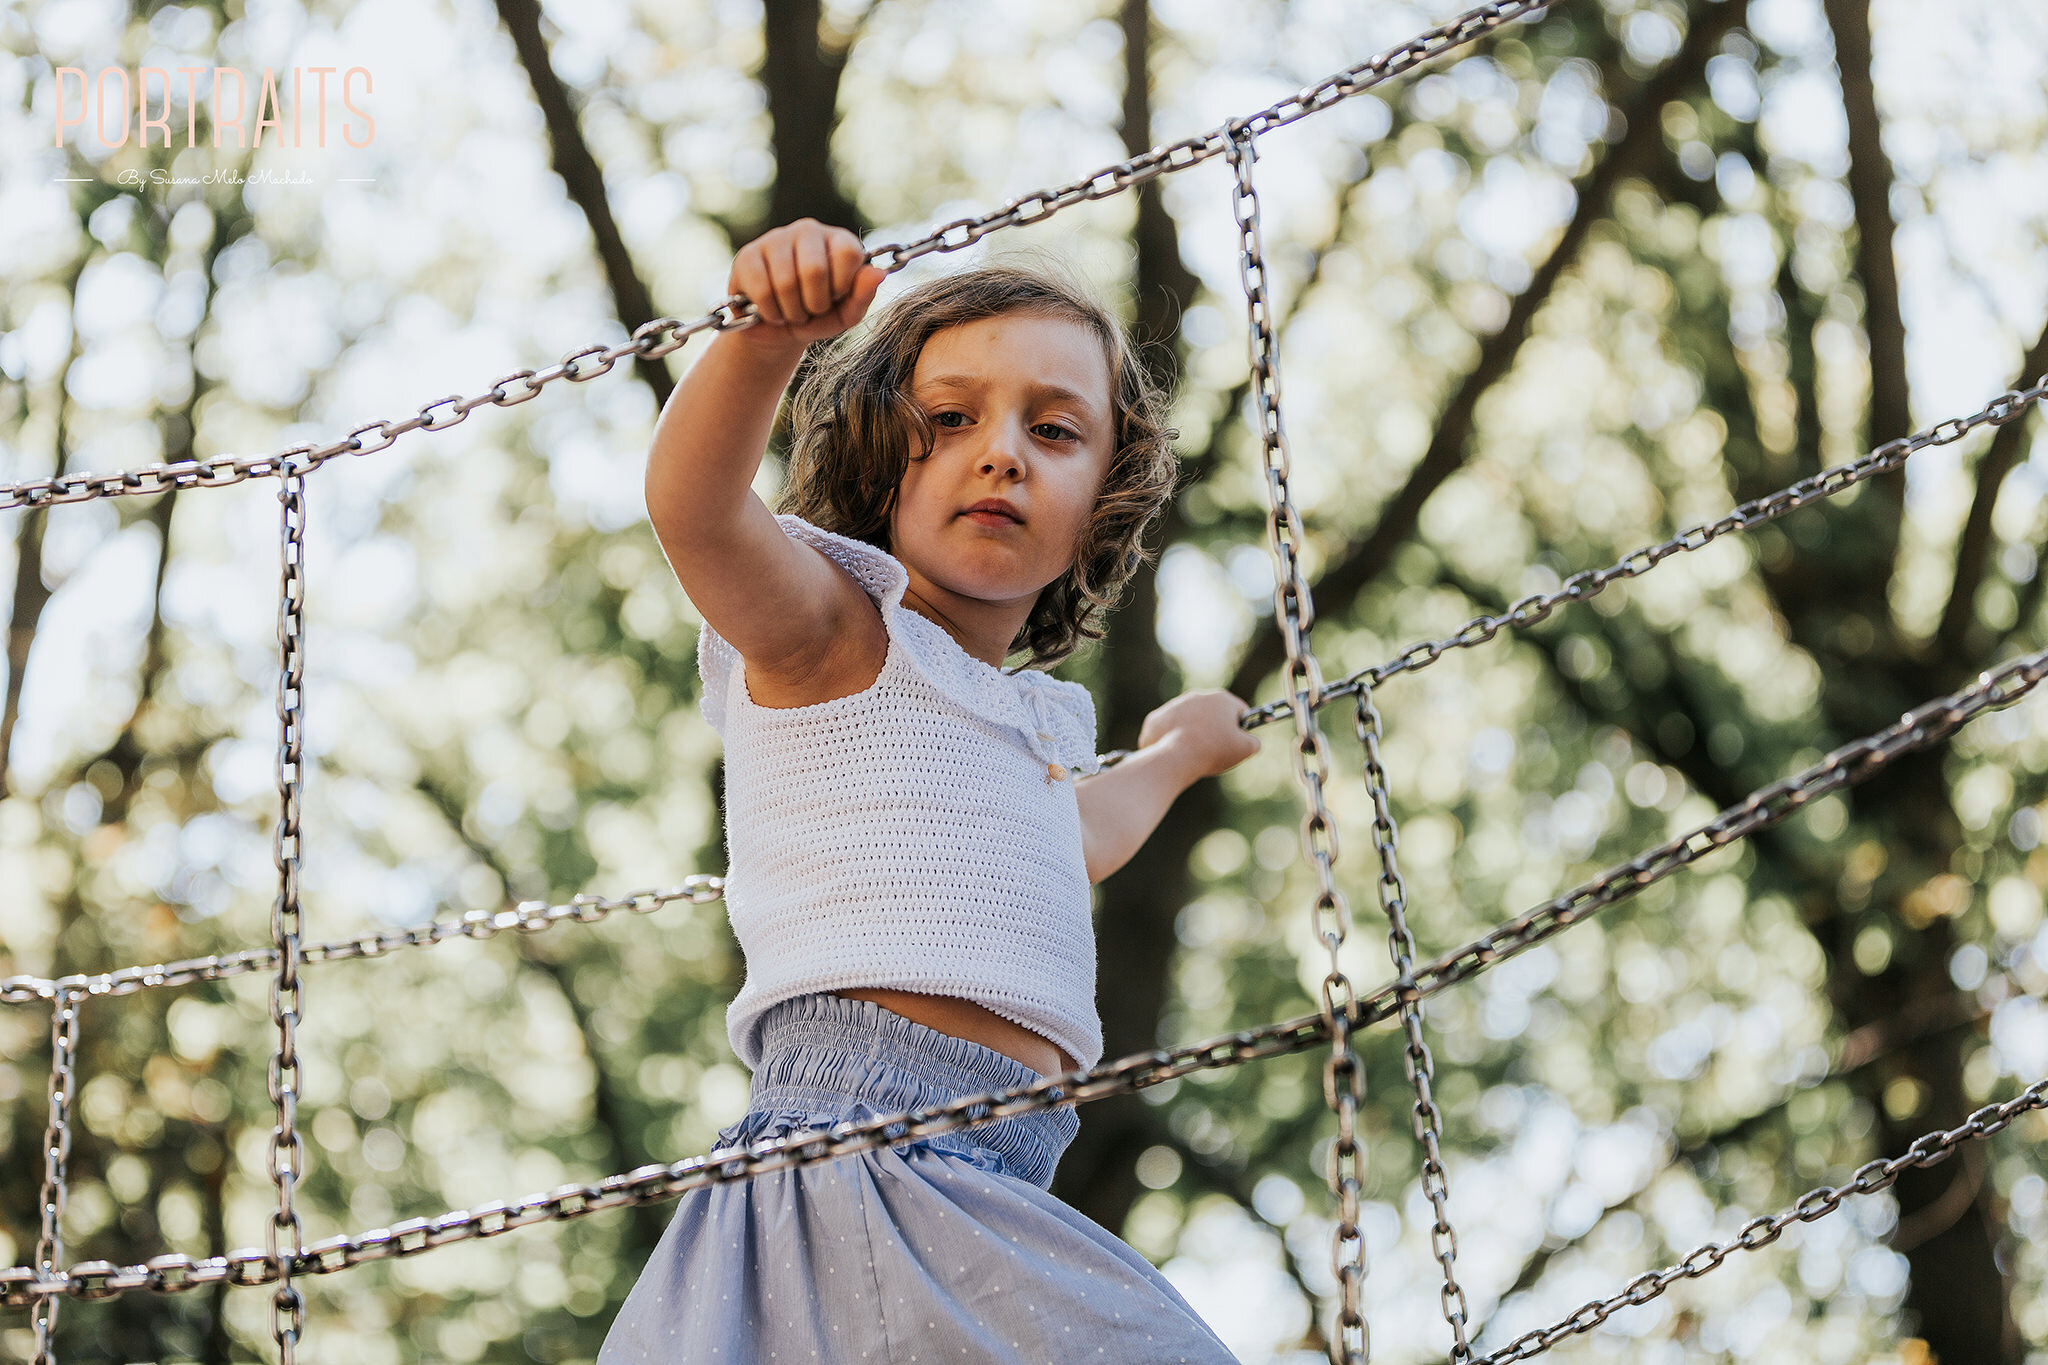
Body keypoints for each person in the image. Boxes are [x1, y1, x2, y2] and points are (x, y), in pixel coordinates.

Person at [600, 218, 1256, 1362]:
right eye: (949, 420)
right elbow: (693, 510)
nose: (1000, 452)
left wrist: (1173, 758)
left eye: (1053, 431)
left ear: (1103, 496)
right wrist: (765, 338)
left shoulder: (1014, 727)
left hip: (997, 1177)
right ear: (873, 454)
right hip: (859, 1159)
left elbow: (1073, 838)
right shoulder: (832, 635)